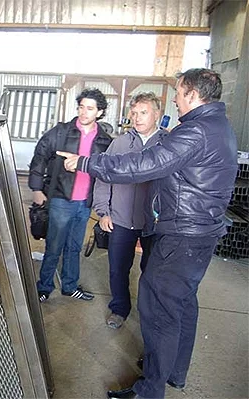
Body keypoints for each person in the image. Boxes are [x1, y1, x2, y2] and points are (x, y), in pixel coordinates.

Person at [57, 68, 238, 398]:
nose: (177, 101)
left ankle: (150, 389)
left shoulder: (194, 131)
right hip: (201, 230)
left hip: (183, 233)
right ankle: (173, 371)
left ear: (193, 95)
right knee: (182, 303)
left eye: (180, 93)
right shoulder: (219, 126)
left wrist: (84, 163)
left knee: (159, 308)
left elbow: (142, 165)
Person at [29, 88, 112, 303]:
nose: (84, 112)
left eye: (90, 108)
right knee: (54, 246)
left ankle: (69, 286)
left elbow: (109, 171)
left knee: (74, 247)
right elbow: (39, 156)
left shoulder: (104, 140)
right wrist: (37, 189)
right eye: (81, 107)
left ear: (100, 112)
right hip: (61, 199)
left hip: (85, 203)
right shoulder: (61, 133)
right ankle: (44, 287)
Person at [93, 92, 168, 329]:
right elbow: (104, 177)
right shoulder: (120, 143)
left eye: (143, 112)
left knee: (152, 273)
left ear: (158, 114)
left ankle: (149, 316)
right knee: (118, 268)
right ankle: (119, 309)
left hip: (155, 223)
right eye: (133, 113)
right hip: (121, 219)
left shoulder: (169, 144)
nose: (136, 118)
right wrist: (103, 211)